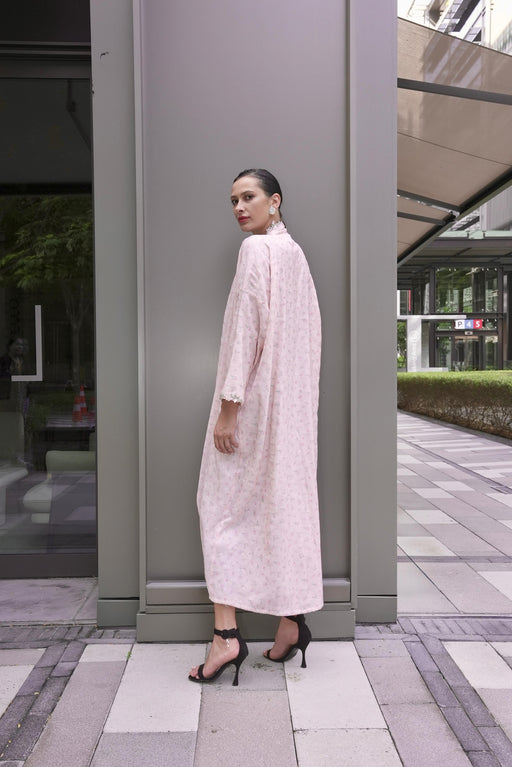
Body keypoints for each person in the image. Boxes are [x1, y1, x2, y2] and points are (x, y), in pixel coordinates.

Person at [189, 169, 323, 686]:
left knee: (219, 507)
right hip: (292, 412)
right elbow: (310, 336)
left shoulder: (256, 251)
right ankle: (291, 623)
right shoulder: (296, 255)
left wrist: (230, 407)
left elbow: (246, 329)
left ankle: (226, 637)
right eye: (233, 200)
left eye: (249, 197)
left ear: (275, 201)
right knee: (285, 508)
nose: (240, 207)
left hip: (254, 405)